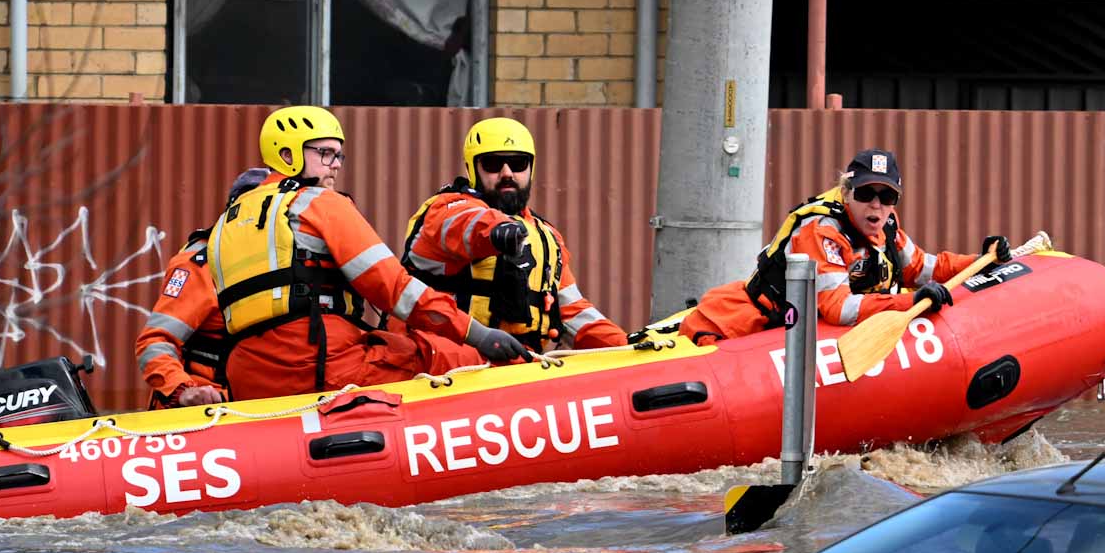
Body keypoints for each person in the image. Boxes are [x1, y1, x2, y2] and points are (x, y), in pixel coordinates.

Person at [207, 106, 528, 401]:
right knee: (452, 356)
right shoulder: (318, 202)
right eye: (325, 153)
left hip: (247, 376)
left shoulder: (225, 225)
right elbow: (392, 287)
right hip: (320, 363)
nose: (335, 165)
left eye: (338, 156)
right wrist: (478, 334)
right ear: (287, 154)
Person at [677, 148, 1010, 344]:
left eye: (887, 197)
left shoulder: (886, 229)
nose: (876, 205)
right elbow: (838, 307)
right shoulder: (821, 229)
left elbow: (922, 268)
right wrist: (910, 302)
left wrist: (984, 260)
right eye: (866, 195)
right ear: (846, 192)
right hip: (744, 328)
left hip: (792, 333)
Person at [401, 117, 627, 353]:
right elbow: (467, 224)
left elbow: (574, 311)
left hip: (519, 368)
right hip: (443, 367)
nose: (507, 173)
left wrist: (627, 345)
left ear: (530, 168)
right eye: (492, 164)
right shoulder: (447, 209)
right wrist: (498, 231)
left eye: (518, 163)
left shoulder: (546, 236)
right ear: (472, 168)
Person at [136, 168, 269, 408]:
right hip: (203, 410)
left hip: (258, 408)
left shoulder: (283, 265)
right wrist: (183, 390)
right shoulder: (200, 264)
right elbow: (154, 342)